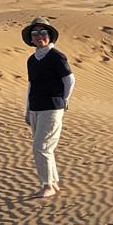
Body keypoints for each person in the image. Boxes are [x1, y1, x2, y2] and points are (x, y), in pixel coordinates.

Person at [22, 17, 75, 198]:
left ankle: (47, 186)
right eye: (34, 34)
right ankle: (53, 184)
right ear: (31, 38)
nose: (39, 36)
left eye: (43, 33)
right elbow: (31, 85)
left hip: (52, 108)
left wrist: (64, 100)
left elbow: (69, 80)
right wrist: (27, 110)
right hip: (36, 108)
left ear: (50, 35)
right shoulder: (32, 59)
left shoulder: (56, 56)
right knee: (45, 148)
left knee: (41, 147)